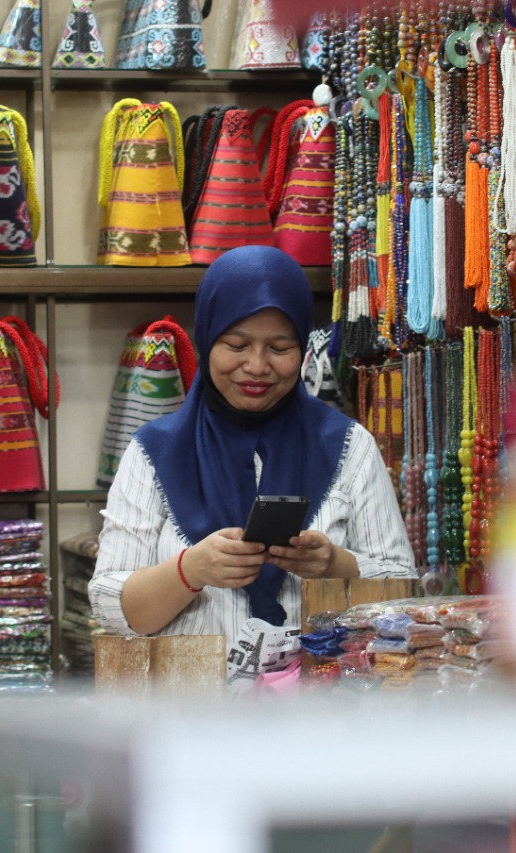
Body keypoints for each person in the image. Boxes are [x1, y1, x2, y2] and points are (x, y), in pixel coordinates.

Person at [90, 245, 415, 683]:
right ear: (207, 340)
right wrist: (189, 570)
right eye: (237, 345)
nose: (257, 366)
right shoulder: (153, 453)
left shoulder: (347, 446)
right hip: (193, 710)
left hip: (323, 712)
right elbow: (114, 612)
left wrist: (335, 565)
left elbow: (403, 591)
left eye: (280, 347)